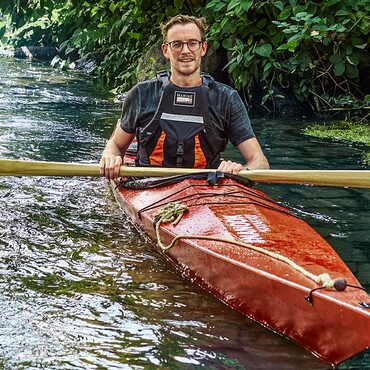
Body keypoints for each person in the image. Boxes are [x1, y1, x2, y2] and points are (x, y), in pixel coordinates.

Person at [100, 14, 269, 179]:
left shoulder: (227, 98)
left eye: (192, 43)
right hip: (147, 183)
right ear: (166, 50)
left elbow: (259, 163)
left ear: (203, 48)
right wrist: (110, 156)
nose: (185, 51)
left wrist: (238, 171)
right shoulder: (141, 94)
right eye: (177, 44)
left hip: (207, 185)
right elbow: (116, 145)